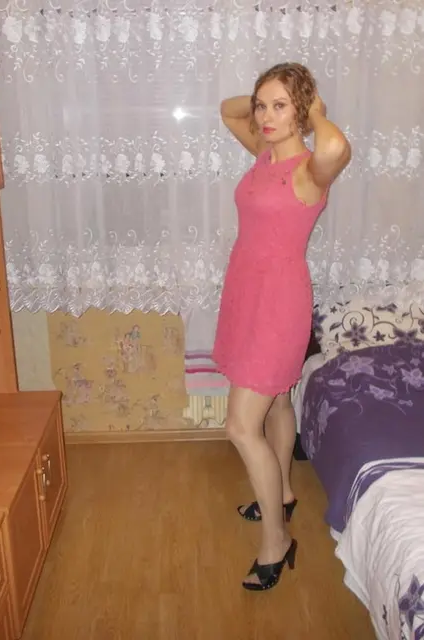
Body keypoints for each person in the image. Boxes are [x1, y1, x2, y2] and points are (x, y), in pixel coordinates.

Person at [212, 62, 351, 591]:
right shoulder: (264, 152)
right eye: (262, 105)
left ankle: (277, 541)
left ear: (301, 112)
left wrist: (314, 109)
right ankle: (285, 494)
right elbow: (226, 110)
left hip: (278, 304)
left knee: (240, 426)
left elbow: (337, 146)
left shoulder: (310, 170)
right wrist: (267, 101)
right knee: (278, 403)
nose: (265, 116)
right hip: (245, 293)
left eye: (279, 107)